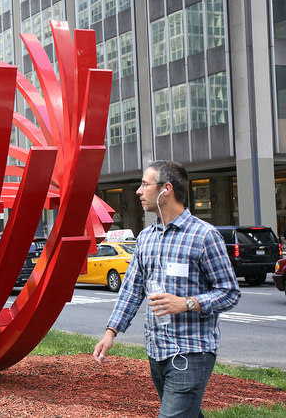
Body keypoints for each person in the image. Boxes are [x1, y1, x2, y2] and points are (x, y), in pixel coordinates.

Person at [93, 160, 240, 418]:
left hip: (192, 351)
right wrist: (110, 332)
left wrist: (187, 303)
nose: (139, 191)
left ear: (166, 189)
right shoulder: (146, 238)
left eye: (144, 184)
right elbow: (131, 289)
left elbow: (229, 292)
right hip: (156, 352)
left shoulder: (204, 236)